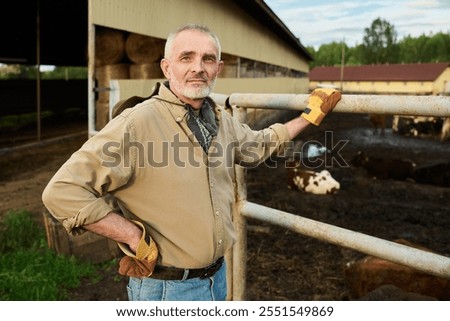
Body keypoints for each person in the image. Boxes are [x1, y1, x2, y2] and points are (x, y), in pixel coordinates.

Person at [42, 23, 341, 301]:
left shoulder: (220, 121)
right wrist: (132, 235)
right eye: (186, 58)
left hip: (217, 279)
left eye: (208, 59)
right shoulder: (137, 123)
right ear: (166, 67)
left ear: (218, 69)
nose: (198, 68)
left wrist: (308, 117)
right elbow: (62, 191)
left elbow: (259, 145)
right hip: (166, 289)